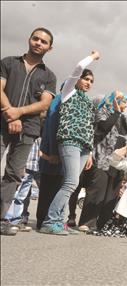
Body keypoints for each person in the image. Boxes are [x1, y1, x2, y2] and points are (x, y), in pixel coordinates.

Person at [0, 27, 56, 236]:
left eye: (44, 41)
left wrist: (18, 113)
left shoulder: (49, 76)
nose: (38, 43)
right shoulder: (8, 62)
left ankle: (1, 218)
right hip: (2, 121)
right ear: (29, 39)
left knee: (14, 174)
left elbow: (44, 104)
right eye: (36, 39)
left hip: (29, 129)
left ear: (50, 48)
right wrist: (9, 114)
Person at [39, 51, 100, 235]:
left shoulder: (88, 102)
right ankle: (50, 221)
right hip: (69, 141)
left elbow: (89, 127)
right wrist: (93, 57)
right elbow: (78, 68)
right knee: (71, 182)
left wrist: (90, 152)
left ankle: (59, 221)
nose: (88, 83)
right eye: (86, 79)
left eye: (91, 81)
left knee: (69, 183)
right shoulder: (69, 92)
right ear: (78, 79)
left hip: (84, 146)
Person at [77, 90, 127, 232]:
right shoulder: (102, 111)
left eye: (124, 100)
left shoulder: (122, 117)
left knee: (112, 193)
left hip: (117, 160)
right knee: (97, 190)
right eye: (121, 100)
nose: (124, 103)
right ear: (112, 100)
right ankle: (87, 222)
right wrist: (115, 113)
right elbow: (103, 128)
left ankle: (102, 225)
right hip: (102, 158)